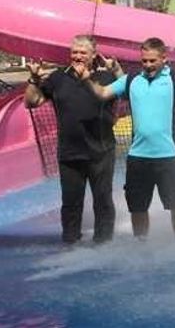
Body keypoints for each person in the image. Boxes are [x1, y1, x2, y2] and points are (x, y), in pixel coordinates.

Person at [84, 37, 175, 240]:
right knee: (137, 207)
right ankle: (141, 244)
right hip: (138, 156)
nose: (148, 65)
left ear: (164, 58)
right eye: (144, 60)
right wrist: (86, 78)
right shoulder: (131, 80)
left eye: (152, 61)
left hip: (169, 155)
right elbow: (102, 93)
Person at [24, 35, 118, 245]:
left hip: (101, 151)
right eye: (75, 52)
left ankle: (104, 243)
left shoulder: (105, 78)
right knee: (70, 203)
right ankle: (70, 242)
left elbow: (122, 99)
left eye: (83, 52)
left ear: (93, 55)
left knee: (103, 200)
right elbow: (31, 102)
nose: (78, 56)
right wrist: (33, 80)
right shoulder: (58, 78)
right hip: (70, 153)